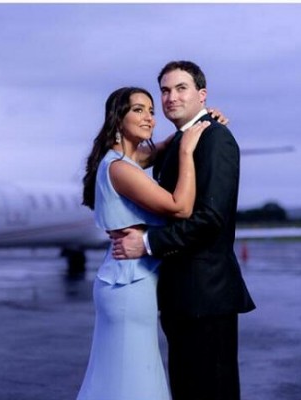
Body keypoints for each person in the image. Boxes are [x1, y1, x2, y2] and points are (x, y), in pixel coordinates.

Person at [112, 61, 256, 400]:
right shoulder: (179, 141)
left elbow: (210, 219)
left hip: (206, 295)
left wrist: (146, 242)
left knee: (211, 391)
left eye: (181, 88)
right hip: (180, 294)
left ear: (201, 94)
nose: (171, 96)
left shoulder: (215, 139)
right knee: (188, 388)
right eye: (165, 90)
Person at [77, 86, 214, 400]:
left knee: (122, 377)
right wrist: (185, 152)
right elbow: (181, 206)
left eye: (151, 111)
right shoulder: (121, 169)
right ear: (117, 117)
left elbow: (156, 150)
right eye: (138, 110)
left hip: (124, 279)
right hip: (129, 284)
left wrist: (201, 120)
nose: (150, 118)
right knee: (133, 380)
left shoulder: (123, 159)